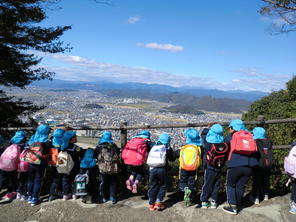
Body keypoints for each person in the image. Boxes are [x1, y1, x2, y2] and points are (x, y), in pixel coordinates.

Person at [223, 119, 259, 215]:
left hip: (235, 164)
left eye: (230, 127)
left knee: (230, 185)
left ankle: (233, 206)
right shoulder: (249, 135)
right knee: (240, 185)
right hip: (250, 166)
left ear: (233, 128)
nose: (229, 129)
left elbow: (224, 145)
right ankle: (238, 204)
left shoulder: (232, 136)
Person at [200, 124, 228, 209]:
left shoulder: (208, 142)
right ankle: (214, 201)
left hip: (209, 166)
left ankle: (204, 201)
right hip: (219, 166)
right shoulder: (223, 143)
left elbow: (203, 135)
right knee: (216, 184)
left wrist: (207, 129)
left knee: (207, 183)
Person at [147, 133, 175, 211]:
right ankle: (158, 202)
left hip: (152, 169)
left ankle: (151, 204)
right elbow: (172, 159)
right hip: (162, 169)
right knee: (163, 185)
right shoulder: (167, 148)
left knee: (153, 186)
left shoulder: (153, 146)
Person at [176, 128, 202, 207]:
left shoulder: (184, 147)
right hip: (194, 169)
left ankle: (185, 189)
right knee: (192, 183)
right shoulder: (198, 148)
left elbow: (177, 155)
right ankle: (190, 199)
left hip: (184, 168)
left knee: (183, 182)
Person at [27, 124, 51, 206]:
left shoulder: (32, 140)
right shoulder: (47, 143)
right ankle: (35, 198)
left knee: (30, 180)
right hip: (41, 164)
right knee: (38, 181)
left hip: (30, 162)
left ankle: (29, 197)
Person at [0, 131, 27, 201]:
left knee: (2, 180)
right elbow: (20, 157)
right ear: (22, 138)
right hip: (12, 166)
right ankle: (11, 192)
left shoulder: (10, 143)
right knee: (13, 179)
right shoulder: (21, 146)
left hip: (3, 164)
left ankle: (8, 192)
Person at [95, 131, 121, 204]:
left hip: (103, 168)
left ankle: (103, 197)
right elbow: (118, 153)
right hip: (113, 168)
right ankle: (113, 197)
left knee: (103, 182)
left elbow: (95, 155)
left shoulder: (99, 146)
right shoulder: (114, 145)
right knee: (113, 183)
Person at [58, 131, 84, 200]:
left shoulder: (62, 147)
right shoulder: (75, 148)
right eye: (75, 137)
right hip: (74, 167)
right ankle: (74, 194)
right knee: (74, 180)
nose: (76, 138)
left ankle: (65, 194)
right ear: (71, 139)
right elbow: (82, 153)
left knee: (65, 180)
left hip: (64, 167)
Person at [250, 127, 273, 204]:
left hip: (259, 165)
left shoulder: (256, 142)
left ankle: (256, 197)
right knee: (266, 179)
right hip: (268, 164)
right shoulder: (269, 141)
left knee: (256, 180)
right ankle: (266, 194)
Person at [48, 128, 64, 201]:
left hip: (52, 163)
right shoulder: (62, 142)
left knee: (54, 178)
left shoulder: (52, 141)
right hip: (59, 163)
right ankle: (53, 193)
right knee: (58, 179)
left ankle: (53, 193)